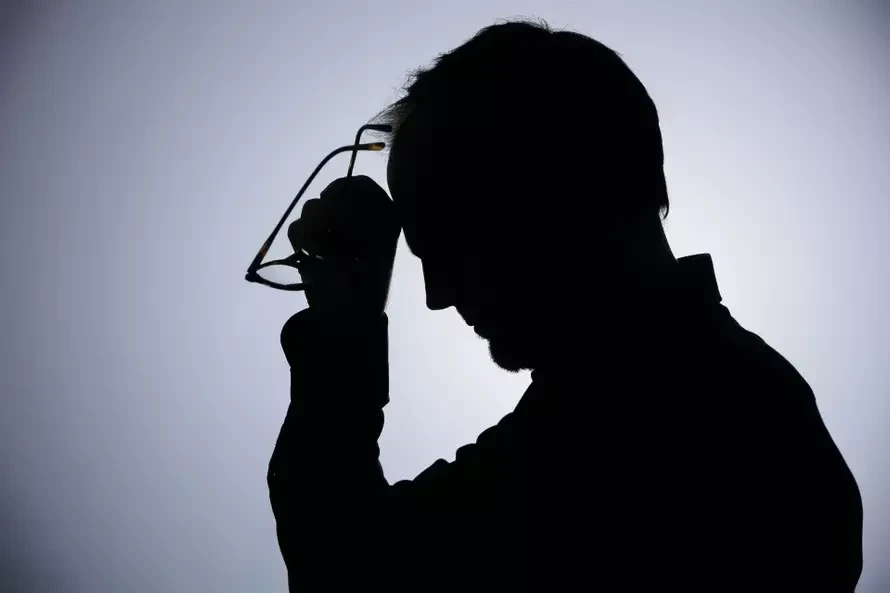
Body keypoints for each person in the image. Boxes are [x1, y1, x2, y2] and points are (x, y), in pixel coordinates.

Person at [266, 18, 863, 591]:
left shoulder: (622, 434)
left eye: (449, 243)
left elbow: (348, 569)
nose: (437, 297)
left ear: (563, 193)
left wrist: (343, 335)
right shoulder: (702, 398)